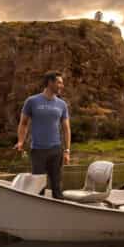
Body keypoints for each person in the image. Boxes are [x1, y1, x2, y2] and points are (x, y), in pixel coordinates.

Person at [16, 71, 71, 199]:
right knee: (38, 188)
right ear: (50, 82)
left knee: (57, 188)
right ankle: (38, 215)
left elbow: (66, 129)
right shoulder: (32, 101)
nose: (62, 85)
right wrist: (20, 141)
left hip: (56, 150)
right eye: (59, 82)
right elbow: (23, 124)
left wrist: (67, 151)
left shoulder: (62, 104)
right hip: (38, 151)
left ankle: (59, 215)